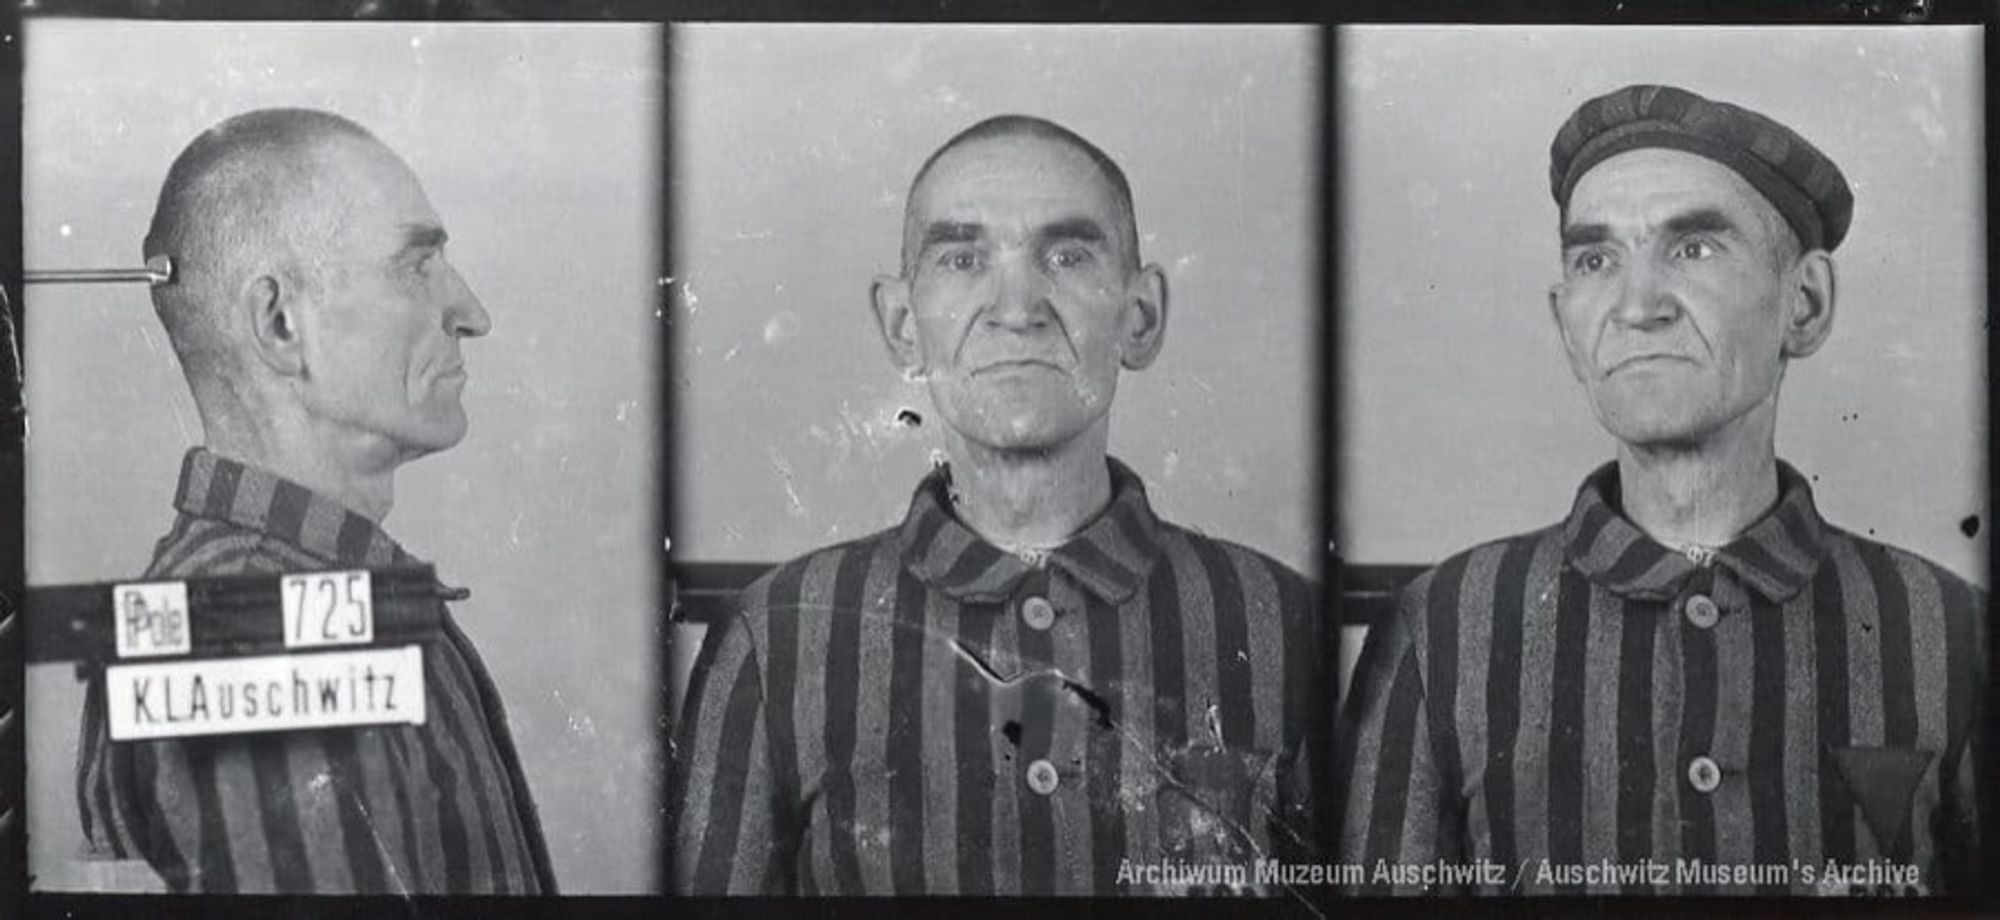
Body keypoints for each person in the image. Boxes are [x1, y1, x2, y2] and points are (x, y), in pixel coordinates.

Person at [1338, 84, 1987, 896]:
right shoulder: (1442, 631)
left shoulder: (1953, 635)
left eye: (1694, 249)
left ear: (1806, 304)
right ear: (1566, 325)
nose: (1637, 306)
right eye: (1596, 260)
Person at [671, 115, 1325, 895]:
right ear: (903, 325)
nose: (1018, 306)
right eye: (963, 257)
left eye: (1068, 254)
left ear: (1140, 316)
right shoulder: (777, 637)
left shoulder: (1277, 623)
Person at [73, 108, 553, 894]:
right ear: (280, 323)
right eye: (416, 266)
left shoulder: (288, 604)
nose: (472, 313)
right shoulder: (255, 625)